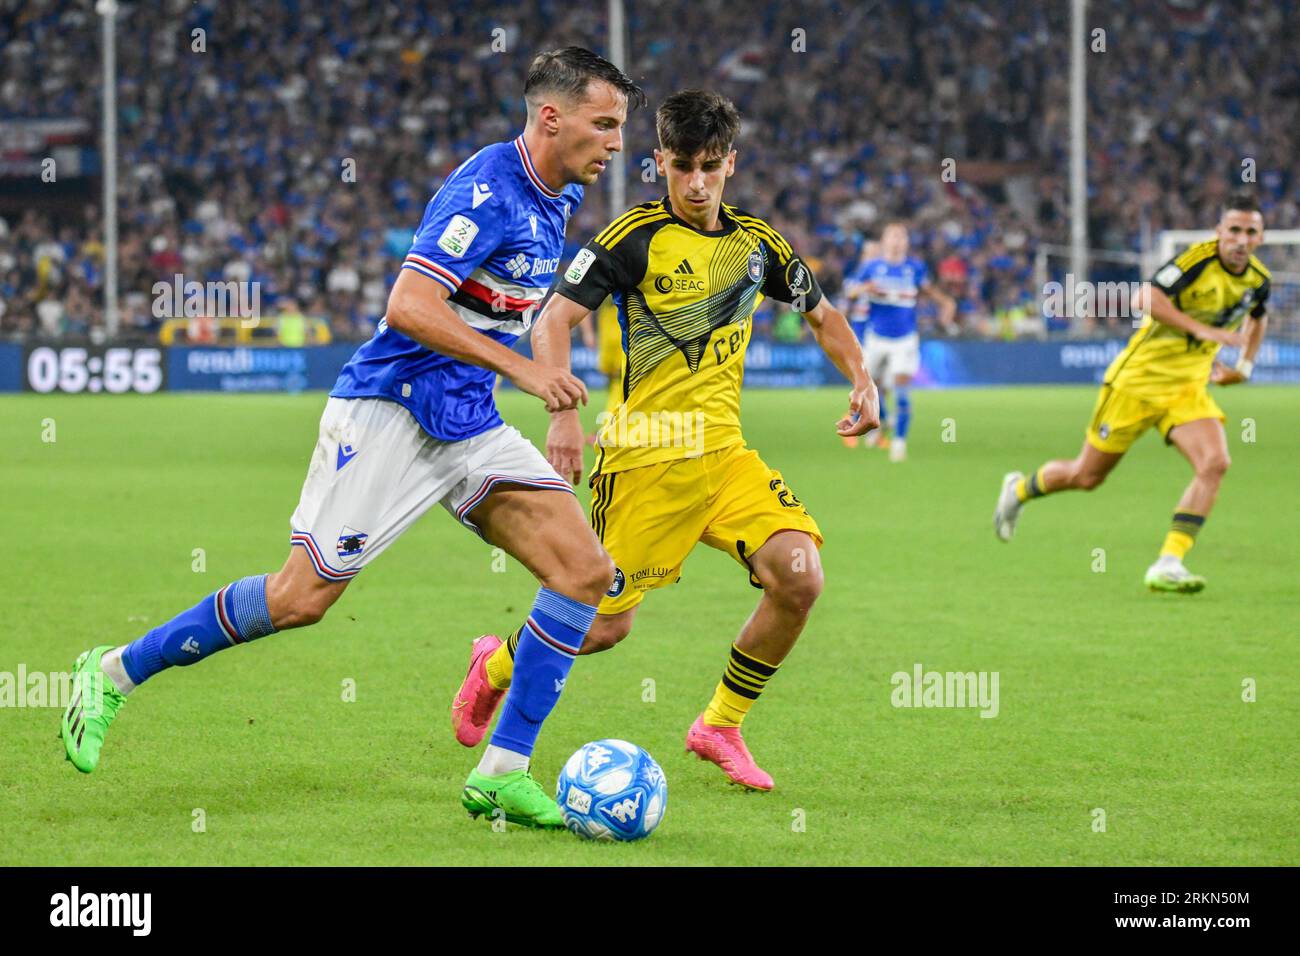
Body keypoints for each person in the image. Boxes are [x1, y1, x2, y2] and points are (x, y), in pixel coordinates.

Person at [61, 47, 644, 830]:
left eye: (620, 129)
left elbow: (521, 309)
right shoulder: (488, 188)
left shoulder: (556, 197)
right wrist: (528, 376)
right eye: (604, 125)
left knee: (584, 573)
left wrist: (559, 405)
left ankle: (503, 771)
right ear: (551, 117)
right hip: (391, 411)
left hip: (467, 421)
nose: (615, 145)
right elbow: (409, 303)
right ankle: (110, 673)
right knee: (300, 598)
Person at [452, 89, 878, 792]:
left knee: (799, 576)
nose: (699, 182)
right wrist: (561, 412)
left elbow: (822, 314)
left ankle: (719, 724)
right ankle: (495, 663)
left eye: (711, 165)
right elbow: (553, 321)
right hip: (645, 459)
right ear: (659, 164)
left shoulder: (757, 245)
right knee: (604, 628)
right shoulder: (631, 239)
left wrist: (862, 378)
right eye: (683, 167)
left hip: (725, 458)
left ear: (731, 162)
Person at [993, 193, 1269, 593]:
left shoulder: (1258, 279)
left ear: (1260, 237)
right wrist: (1201, 330)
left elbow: (1258, 317)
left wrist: (1244, 366)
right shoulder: (1197, 261)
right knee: (1085, 476)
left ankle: (1168, 561)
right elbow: (1144, 298)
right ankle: (1018, 489)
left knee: (1215, 463)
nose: (1241, 240)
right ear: (1219, 232)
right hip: (1136, 383)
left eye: (1250, 232)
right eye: (1234, 231)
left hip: (1187, 387)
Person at [842, 223, 956, 460]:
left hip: (905, 340)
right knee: (870, 388)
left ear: (906, 242)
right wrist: (865, 287)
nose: (897, 241)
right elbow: (850, 292)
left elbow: (928, 290)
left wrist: (945, 303)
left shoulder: (914, 268)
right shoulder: (871, 267)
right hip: (876, 339)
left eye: (901, 236)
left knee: (902, 391)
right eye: (893, 236)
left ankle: (899, 442)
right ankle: (882, 420)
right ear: (884, 241)